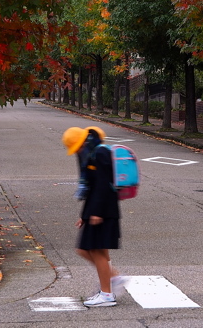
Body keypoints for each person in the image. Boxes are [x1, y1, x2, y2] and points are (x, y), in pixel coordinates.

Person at [63, 126, 125, 308]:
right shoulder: (92, 154)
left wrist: (96, 212)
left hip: (103, 212)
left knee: (94, 250)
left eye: (77, 148)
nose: (77, 153)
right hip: (98, 211)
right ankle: (111, 281)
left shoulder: (99, 154)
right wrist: (85, 215)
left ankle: (108, 292)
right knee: (94, 250)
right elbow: (92, 186)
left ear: (83, 142)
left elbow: (104, 186)